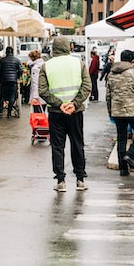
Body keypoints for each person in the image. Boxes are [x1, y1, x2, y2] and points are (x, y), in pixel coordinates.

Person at [38, 36, 91, 192]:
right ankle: (80, 179)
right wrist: (74, 104)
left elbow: (42, 90)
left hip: (56, 112)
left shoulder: (46, 65)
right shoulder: (78, 63)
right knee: (77, 143)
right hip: (75, 112)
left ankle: (61, 180)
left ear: (53, 48)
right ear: (69, 47)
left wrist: (59, 104)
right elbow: (87, 86)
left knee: (57, 146)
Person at [106, 50, 134, 176]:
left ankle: (123, 169)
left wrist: (110, 112)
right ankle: (130, 155)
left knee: (121, 138)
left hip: (117, 112)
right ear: (132, 60)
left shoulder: (111, 74)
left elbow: (108, 96)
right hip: (132, 111)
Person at [0, 46, 23, 118]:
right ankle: (9, 112)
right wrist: (17, 77)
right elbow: (20, 70)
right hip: (13, 81)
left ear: (6, 52)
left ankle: (1, 111)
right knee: (12, 96)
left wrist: (0, 78)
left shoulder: (2, 60)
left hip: (4, 81)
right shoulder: (16, 60)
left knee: (2, 96)